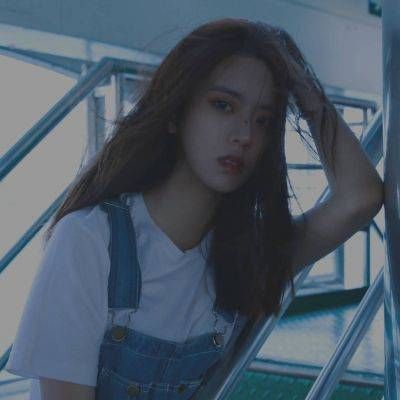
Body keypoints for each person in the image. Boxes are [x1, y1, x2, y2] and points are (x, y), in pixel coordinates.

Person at [5, 18, 383, 400]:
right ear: (175, 112)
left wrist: (305, 91)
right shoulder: (89, 240)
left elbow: (360, 197)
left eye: (264, 120)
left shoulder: (246, 254)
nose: (244, 135)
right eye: (223, 105)